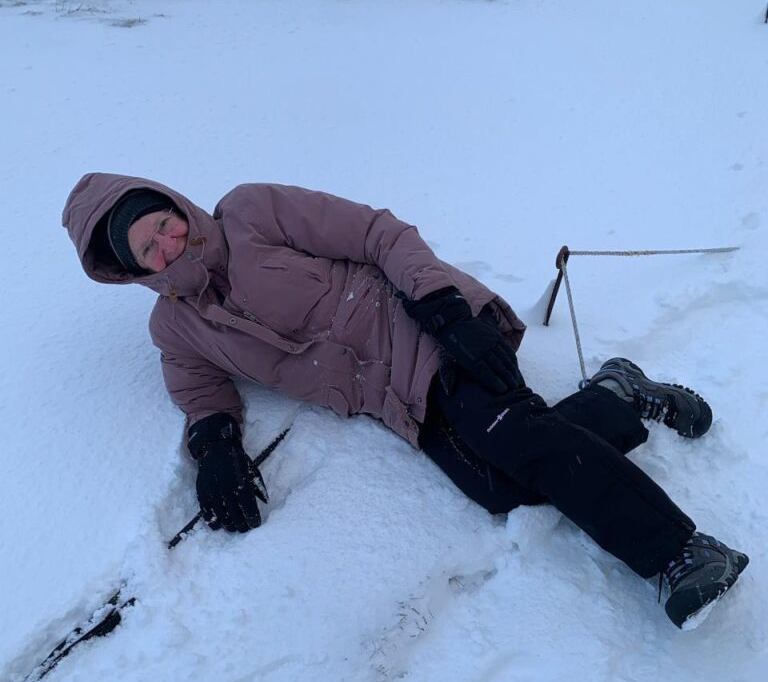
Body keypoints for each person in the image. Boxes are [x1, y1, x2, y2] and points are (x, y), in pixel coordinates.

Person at [62, 174, 749, 631]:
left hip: (432, 329)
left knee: (513, 437)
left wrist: (447, 310)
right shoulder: (176, 326)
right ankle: (615, 393)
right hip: (392, 401)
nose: (167, 244)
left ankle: (682, 552)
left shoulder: (248, 212)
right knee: (497, 486)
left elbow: (377, 233)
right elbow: (197, 387)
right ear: (129, 271)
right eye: (148, 249)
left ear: (172, 204)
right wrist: (215, 447)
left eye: (163, 224)